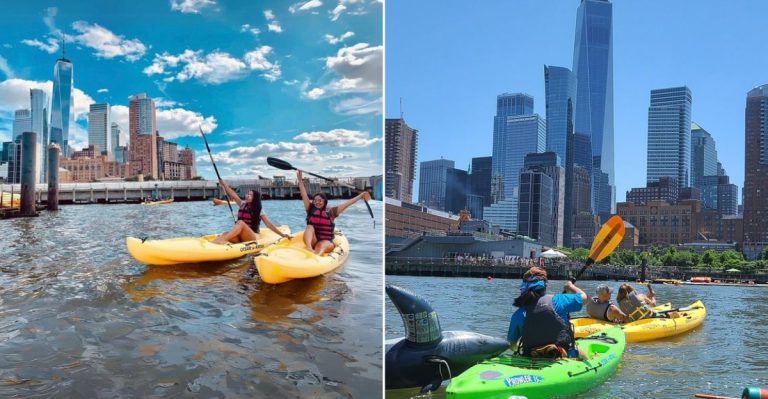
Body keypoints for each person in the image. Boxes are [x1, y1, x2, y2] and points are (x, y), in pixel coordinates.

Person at [507, 267, 587, 359]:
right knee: (579, 351)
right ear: (545, 285)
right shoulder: (559, 300)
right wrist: (571, 287)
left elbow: (512, 345)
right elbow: (585, 298)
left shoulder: (518, 314)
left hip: (531, 357)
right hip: (563, 356)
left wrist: (518, 347)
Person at [296, 170, 371, 254]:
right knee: (309, 226)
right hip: (313, 240)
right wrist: (300, 182)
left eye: (320, 200)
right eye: (315, 201)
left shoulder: (332, 212)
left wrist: (360, 196)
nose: (317, 202)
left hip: (326, 242)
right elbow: (304, 196)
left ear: (325, 201)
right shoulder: (310, 209)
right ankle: (308, 248)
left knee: (320, 246)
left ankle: (316, 257)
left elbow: (348, 203)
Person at [212, 179, 290, 244]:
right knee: (225, 233)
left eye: (250, 195)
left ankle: (222, 240)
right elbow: (234, 195)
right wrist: (224, 185)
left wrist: (282, 235)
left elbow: (269, 224)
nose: (247, 195)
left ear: (255, 198)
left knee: (240, 223)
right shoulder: (243, 204)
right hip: (242, 236)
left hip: (252, 236)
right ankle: (216, 243)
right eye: (247, 194)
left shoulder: (259, 210)